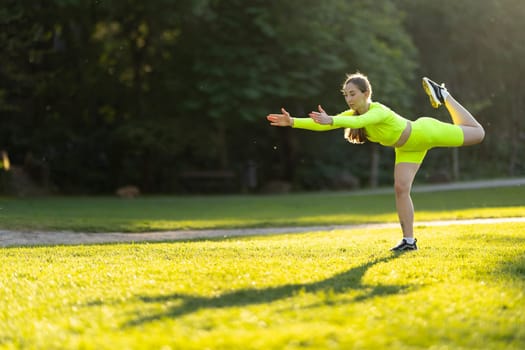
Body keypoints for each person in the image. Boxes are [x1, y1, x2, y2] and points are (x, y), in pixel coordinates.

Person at [266, 73, 485, 251]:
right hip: (407, 149)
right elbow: (325, 124)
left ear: (366, 93)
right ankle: (409, 242)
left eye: (352, 94)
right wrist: (292, 122)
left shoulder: (377, 110)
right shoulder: (352, 114)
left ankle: (444, 95)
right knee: (401, 189)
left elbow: (359, 120)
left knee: (478, 134)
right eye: (346, 95)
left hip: (424, 133)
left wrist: (332, 119)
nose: (349, 99)